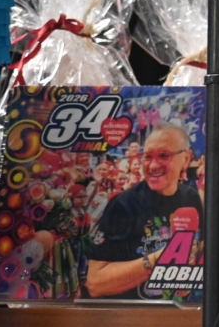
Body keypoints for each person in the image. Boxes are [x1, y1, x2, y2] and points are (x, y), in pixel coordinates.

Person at [85, 123, 205, 298]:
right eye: (147, 156)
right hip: (135, 313)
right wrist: (158, 259)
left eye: (164, 155)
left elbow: (198, 248)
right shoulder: (124, 204)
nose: (153, 165)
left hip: (178, 310)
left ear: (186, 159)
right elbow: (95, 283)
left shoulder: (190, 198)